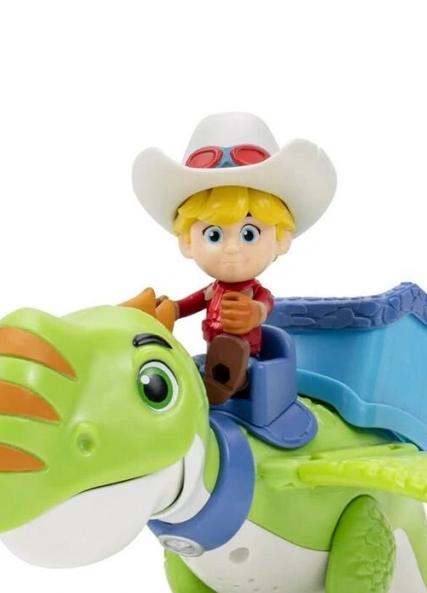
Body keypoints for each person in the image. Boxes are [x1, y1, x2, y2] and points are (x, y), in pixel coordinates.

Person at [132, 112, 336, 404]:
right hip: (213, 354)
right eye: (213, 235)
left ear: (280, 240)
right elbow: (188, 304)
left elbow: (265, 305)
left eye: (249, 234)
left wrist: (254, 313)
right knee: (195, 362)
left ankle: (227, 384)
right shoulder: (212, 291)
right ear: (187, 242)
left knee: (233, 357)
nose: (231, 249)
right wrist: (170, 310)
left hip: (247, 358)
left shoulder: (254, 292)